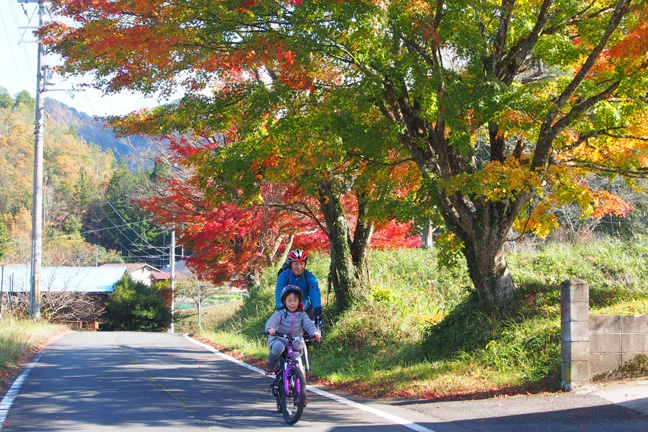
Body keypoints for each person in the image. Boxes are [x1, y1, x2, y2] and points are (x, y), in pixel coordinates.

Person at [265, 285, 321, 375]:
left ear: (299, 301)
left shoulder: (302, 314)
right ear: (284, 301)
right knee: (278, 347)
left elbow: (309, 324)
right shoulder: (280, 312)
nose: (292, 303)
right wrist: (270, 329)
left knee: (298, 360)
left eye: (295, 300)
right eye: (289, 301)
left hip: (295, 341)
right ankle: (271, 365)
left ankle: (300, 383)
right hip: (280, 339)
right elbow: (272, 321)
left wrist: (315, 332)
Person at [275, 249, 324, 328]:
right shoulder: (284, 276)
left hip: (305, 308)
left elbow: (315, 293)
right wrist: (281, 308)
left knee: (313, 331)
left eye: (301, 264)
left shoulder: (309, 277)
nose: (299, 267)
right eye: (296, 264)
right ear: (291, 265)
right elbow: (278, 294)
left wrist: (318, 310)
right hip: (286, 308)